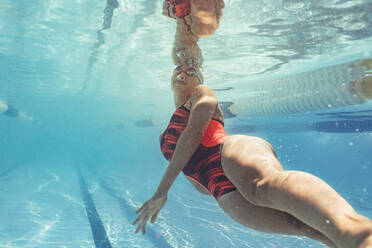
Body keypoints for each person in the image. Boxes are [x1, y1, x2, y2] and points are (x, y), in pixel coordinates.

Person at [134, 2, 372, 248]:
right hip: (218, 187)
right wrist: (180, 20)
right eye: (177, 73)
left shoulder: (204, 94)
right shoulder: (179, 106)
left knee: (261, 188)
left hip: (231, 152)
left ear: (199, 75)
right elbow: (184, 51)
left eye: (188, 72)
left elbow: (193, 135)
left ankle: (360, 231)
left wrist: (162, 191)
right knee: (309, 230)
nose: (182, 74)